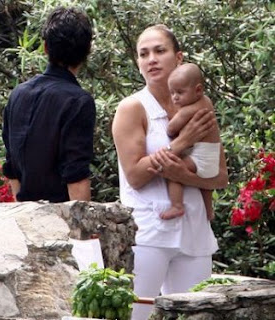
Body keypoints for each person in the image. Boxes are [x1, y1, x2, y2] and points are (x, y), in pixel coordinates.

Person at [112, 24, 228, 320]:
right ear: (137, 63)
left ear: (179, 58)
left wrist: (184, 175)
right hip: (148, 231)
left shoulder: (201, 106)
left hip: (195, 232)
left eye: (159, 51)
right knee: (136, 315)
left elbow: (219, 177)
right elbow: (136, 176)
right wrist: (183, 143)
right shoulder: (132, 108)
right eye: (143, 53)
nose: (151, 59)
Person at [2, 7, 96, 203]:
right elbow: (75, 174)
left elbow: (11, 167)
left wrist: (24, 210)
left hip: (25, 218)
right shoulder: (79, 101)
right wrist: (82, 233)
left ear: (45, 47)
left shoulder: (18, 94)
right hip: (61, 220)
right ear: (88, 50)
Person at [161, 62, 221, 221]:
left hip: (199, 159)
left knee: (173, 172)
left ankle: (177, 205)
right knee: (205, 187)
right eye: (172, 93)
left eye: (180, 92)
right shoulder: (207, 102)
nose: (175, 97)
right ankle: (209, 212)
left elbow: (171, 128)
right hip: (212, 161)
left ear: (198, 90)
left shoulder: (191, 108)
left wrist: (170, 123)